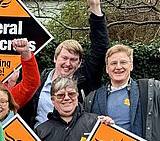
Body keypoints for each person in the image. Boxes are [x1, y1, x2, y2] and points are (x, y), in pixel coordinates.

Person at [19, 0, 109, 129]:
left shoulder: (86, 79)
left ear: (79, 64)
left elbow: (101, 48)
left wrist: (95, 7)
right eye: (64, 58)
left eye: (73, 60)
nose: (68, 63)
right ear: (55, 58)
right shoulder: (38, 82)